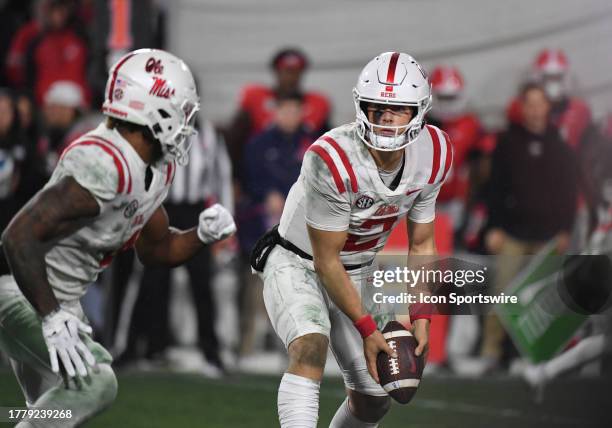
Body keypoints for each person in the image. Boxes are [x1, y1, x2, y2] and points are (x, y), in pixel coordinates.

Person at [0, 48, 236, 426]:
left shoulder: (153, 165)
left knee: (55, 415)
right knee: (97, 383)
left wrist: (201, 235)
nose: (188, 120)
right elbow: (17, 237)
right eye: (182, 108)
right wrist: (51, 316)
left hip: (59, 302)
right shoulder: (104, 163)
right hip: (22, 293)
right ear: (154, 107)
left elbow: (157, 248)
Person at [251, 52, 451, 427]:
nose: (387, 119)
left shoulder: (435, 153)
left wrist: (422, 314)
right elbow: (326, 261)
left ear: (419, 112)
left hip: (356, 268)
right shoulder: (332, 157)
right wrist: (368, 328)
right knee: (310, 346)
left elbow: (422, 243)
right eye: (378, 107)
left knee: (375, 398)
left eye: (399, 109)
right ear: (363, 106)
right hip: (299, 262)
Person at [225, 47, 331, 179]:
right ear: (276, 72)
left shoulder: (316, 104)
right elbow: (235, 140)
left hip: (301, 174)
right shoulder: (256, 99)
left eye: (296, 72)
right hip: (260, 173)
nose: (291, 78)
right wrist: (235, 178)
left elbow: (330, 146)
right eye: (287, 72)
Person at [506, 49, 592, 150]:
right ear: (537, 77)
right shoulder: (519, 109)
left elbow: (588, 145)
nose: (553, 83)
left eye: (557, 77)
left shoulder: (580, 110)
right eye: (548, 77)